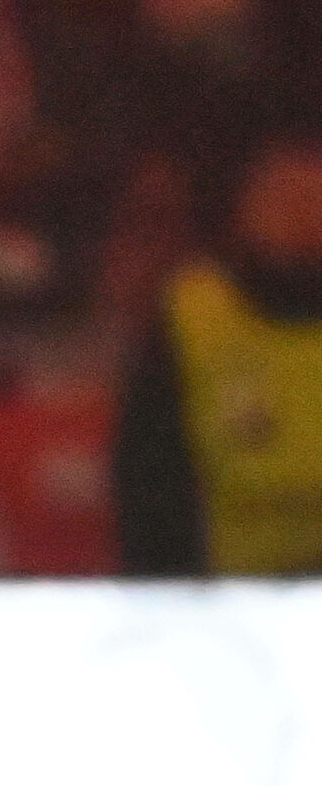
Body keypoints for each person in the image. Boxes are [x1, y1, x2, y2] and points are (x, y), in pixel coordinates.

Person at [116, 129, 322, 575]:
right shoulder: (194, 314)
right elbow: (150, 469)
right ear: (247, 206)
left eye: (313, 196)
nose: (303, 215)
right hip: (229, 599)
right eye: (284, 196)